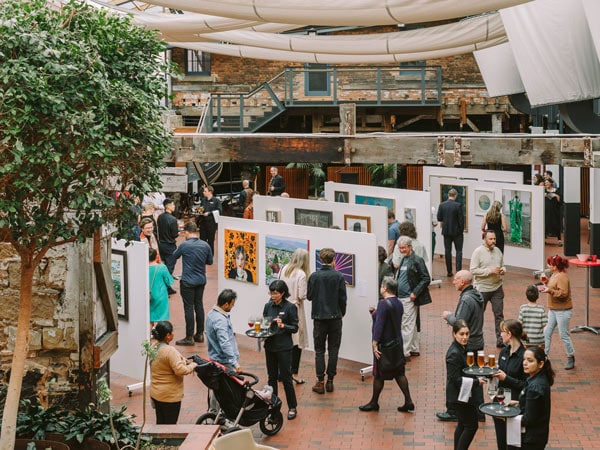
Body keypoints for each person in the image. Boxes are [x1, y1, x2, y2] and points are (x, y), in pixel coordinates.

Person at [358, 277, 414, 413]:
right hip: (397, 343)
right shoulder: (399, 303)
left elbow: (379, 325)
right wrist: (374, 313)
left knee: (379, 374)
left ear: (385, 288)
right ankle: (408, 401)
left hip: (385, 345)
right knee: (399, 372)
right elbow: (387, 319)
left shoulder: (383, 304)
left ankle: (374, 402)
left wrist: (374, 343)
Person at [438, 270, 484, 423]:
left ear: (463, 282)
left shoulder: (466, 300)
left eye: (456, 279)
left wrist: (448, 316)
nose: (453, 281)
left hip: (469, 345)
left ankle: (453, 411)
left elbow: (460, 323)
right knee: (474, 376)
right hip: (478, 342)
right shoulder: (477, 296)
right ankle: (479, 411)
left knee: (459, 377)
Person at [307, 247, 347, 394]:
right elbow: (343, 298)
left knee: (319, 350)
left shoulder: (314, 276)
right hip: (335, 317)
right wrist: (341, 313)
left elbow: (309, 296)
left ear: (320, 260)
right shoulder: (339, 276)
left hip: (319, 318)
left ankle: (320, 381)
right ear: (333, 260)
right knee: (333, 349)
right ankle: (330, 380)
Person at [171, 222, 213, 346]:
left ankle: (189, 337)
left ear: (187, 232)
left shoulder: (184, 245)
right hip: (201, 280)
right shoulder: (205, 245)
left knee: (189, 308)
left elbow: (175, 256)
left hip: (188, 281)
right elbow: (209, 262)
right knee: (199, 305)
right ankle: (200, 334)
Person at [262, 280, 299, 420]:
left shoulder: (290, 307)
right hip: (270, 347)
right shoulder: (267, 306)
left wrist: (283, 325)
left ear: (283, 293)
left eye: (276, 293)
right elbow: (265, 323)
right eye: (271, 293)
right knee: (272, 378)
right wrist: (265, 326)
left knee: (286, 378)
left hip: (284, 348)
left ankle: (292, 407)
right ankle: (274, 408)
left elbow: (295, 328)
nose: (273, 295)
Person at [149, 321, 198, 424]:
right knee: (170, 425)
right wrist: (192, 366)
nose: (173, 334)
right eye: (172, 332)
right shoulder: (169, 351)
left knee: (160, 422)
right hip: (169, 396)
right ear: (167, 336)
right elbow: (180, 370)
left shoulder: (153, 347)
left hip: (156, 393)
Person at [445, 320, 483, 450]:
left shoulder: (463, 348)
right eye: (461, 334)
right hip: (459, 397)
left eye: (467, 334)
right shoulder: (454, 353)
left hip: (463, 395)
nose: (465, 337)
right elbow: (455, 379)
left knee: (462, 424)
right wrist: (477, 381)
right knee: (471, 426)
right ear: (454, 334)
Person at [490, 319, 527, 450]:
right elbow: (500, 374)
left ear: (509, 334)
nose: (501, 334)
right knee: (501, 441)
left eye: (502, 331)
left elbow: (526, 385)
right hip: (500, 402)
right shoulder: (504, 352)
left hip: (514, 404)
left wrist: (506, 378)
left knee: (513, 443)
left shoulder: (524, 356)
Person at [393, 236, 431, 359]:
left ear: (410, 247)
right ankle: (414, 348)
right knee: (411, 324)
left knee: (406, 325)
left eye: (403, 248)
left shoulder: (417, 260)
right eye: (400, 248)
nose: (402, 250)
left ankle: (404, 352)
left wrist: (415, 292)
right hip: (402, 297)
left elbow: (426, 278)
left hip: (409, 298)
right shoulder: (404, 259)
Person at [278, 248, 310, 385]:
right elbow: (302, 295)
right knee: (296, 342)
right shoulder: (301, 274)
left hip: (281, 306)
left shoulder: (284, 268)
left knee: (283, 339)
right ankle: (294, 373)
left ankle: (282, 372)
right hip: (295, 309)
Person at [470, 230, 506, 349]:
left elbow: (503, 265)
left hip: (497, 288)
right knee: (479, 315)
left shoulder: (498, 251)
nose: (493, 241)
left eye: (494, 239)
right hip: (482, 289)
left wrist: (503, 270)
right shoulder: (478, 252)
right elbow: (473, 270)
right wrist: (489, 271)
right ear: (484, 239)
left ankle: (501, 339)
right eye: (490, 239)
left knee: (499, 315)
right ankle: (477, 340)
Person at [515, 346, 555, 450]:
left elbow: (528, 419)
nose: (524, 363)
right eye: (524, 359)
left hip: (531, 440)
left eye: (530, 360)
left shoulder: (535, 386)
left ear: (540, 364)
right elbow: (536, 407)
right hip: (536, 437)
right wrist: (518, 403)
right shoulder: (535, 379)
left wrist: (507, 417)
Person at [540, 255, 575, 370]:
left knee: (563, 334)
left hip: (563, 311)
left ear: (555, 266)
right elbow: (554, 287)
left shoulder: (562, 277)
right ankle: (544, 356)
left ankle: (570, 356)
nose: (548, 266)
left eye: (550, 264)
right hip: (554, 309)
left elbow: (563, 294)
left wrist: (550, 290)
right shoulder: (555, 275)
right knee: (547, 331)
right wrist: (546, 283)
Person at [205, 289, 242, 373]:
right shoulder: (220, 320)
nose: (233, 306)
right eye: (232, 304)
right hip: (223, 361)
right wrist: (235, 364)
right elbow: (224, 343)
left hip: (215, 358)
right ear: (226, 304)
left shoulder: (211, 314)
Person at [437, 188, 465, 277]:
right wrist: (460, 230)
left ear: (448, 195)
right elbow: (461, 220)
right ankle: (458, 270)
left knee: (447, 251)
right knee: (459, 251)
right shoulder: (458, 205)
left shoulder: (442, 205)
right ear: (455, 195)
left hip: (446, 231)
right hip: (457, 232)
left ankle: (449, 271)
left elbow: (439, 218)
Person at [149, 248, 173, 326]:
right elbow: (169, 281)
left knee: (150, 318)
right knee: (162, 316)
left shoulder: (142, 268)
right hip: (160, 294)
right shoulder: (162, 267)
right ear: (156, 256)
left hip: (148, 295)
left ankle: (148, 336)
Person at [157, 198, 180, 274]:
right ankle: (167, 284)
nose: (174, 206)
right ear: (168, 206)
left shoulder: (160, 217)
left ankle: (164, 283)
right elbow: (174, 235)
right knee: (170, 267)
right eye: (173, 204)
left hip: (161, 244)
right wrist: (178, 232)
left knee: (163, 265)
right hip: (170, 246)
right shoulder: (173, 219)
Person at [199, 185, 221, 255]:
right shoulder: (203, 200)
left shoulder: (216, 201)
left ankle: (210, 256)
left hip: (211, 224)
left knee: (211, 241)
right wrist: (199, 211)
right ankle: (203, 255)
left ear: (210, 192)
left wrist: (210, 213)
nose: (203, 192)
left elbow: (219, 211)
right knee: (202, 240)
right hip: (203, 223)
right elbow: (201, 209)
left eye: (205, 191)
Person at [543, 178, 563, 246]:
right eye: (545, 183)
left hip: (555, 211)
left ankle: (559, 240)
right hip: (546, 211)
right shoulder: (544, 191)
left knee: (556, 224)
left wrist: (556, 196)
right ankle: (543, 239)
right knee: (545, 224)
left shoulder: (556, 191)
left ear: (551, 183)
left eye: (547, 182)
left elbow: (560, 201)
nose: (546, 184)